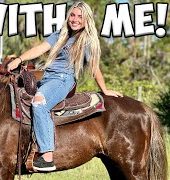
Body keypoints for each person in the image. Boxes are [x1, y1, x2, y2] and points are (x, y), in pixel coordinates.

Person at [7, 1, 123, 172]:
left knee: (39, 103)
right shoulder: (61, 34)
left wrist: (104, 90)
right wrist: (18, 60)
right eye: (72, 15)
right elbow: (40, 49)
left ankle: (47, 156)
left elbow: (94, 67)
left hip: (63, 80)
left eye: (79, 16)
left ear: (86, 20)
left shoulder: (86, 41)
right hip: (47, 78)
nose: (75, 19)